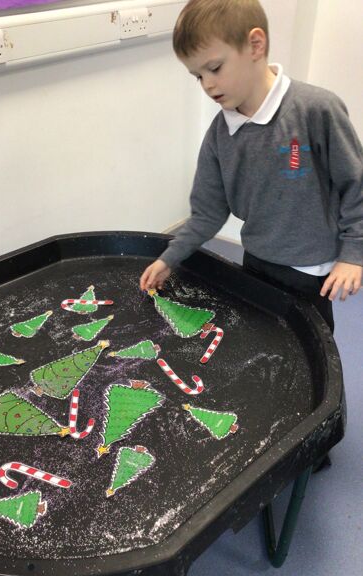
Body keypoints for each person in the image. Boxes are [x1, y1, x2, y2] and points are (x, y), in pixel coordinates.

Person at [139, 0, 363, 332]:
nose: (208, 85)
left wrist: (353, 253)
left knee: (310, 346)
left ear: (255, 46)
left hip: (310, 271)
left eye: (215, 68)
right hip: (256, 261)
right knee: (263, 338)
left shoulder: (317, 110)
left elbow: (355, 185)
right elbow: (207, 213)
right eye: (198, 76)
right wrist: (169, 257)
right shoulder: (219, 134)